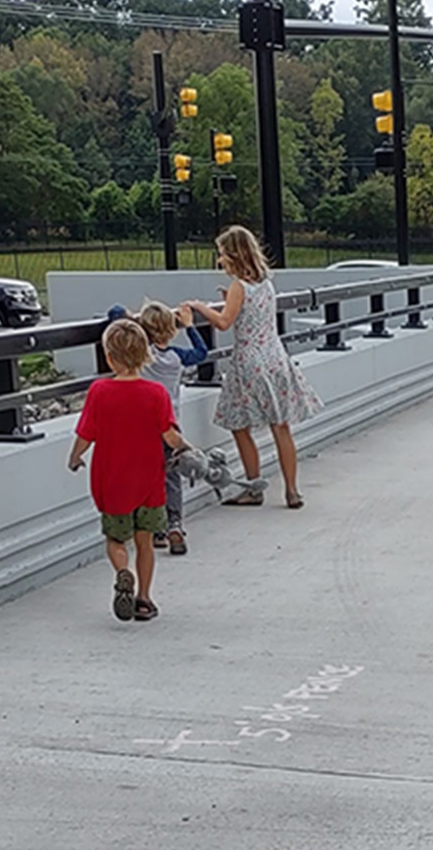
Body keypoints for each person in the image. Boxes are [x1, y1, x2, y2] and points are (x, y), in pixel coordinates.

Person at [185, 225, 322, 509]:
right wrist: (229, 302)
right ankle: (292, 491)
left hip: (249, 362)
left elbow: (224, 322)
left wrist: (200, 307)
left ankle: (253, 486)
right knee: (281, 427)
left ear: (234, 255)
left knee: (240, 425)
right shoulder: (265, 284)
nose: (220, 260)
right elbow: (254, 314)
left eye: (222, 254)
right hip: (275, 357)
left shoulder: (239, 286)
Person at [68, 319, 192, 622]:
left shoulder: (99, 391)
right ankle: (145, 600)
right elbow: (170, 436)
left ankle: (123, 572)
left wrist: (74, 458)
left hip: (113, 485)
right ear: (145, 355)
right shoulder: (156, 393)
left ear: (109, 357)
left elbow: (86, 435)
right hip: (150, 484)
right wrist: (188, 449)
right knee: (145, 541)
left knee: (116, 540)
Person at [133, 301, 260, 555]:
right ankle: (175, 524)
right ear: (172, 331)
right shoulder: (178, 357)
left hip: (141, 427)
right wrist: (190, 325)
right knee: (171, 476)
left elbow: (115, 314)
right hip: (170, 426)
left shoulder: (142, 355)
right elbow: (202, 353)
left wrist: (131, 318)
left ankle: (154, 529)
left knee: (146, 477)